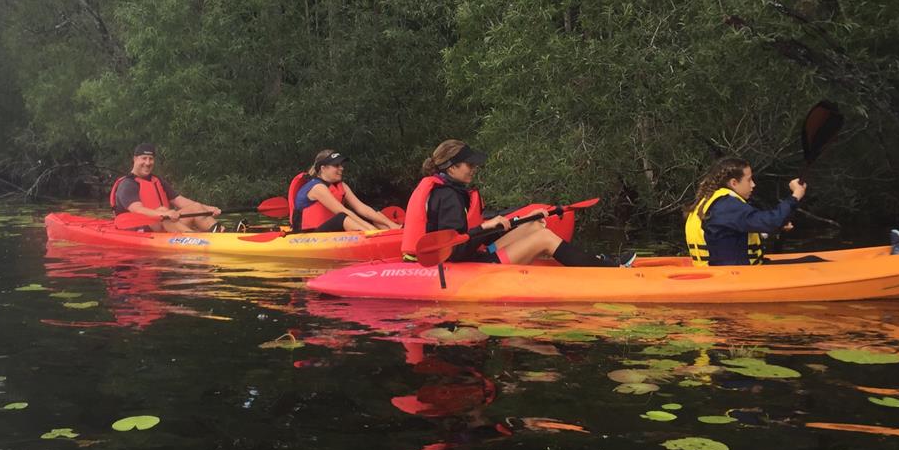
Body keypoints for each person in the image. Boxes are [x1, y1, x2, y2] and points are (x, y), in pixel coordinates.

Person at [400, 139, 633, 267]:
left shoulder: (452, 189)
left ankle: (590, 260)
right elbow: (456, 251)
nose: (474, 168)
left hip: (473, 254)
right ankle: (608, 269)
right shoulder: (448, 196)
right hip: (467, 264)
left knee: (534, 227)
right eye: (469, 165)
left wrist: (504, 223)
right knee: (544, 238)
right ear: (452, 167)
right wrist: (486, 228)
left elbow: (466, 234)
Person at [685, 157, 805, 266]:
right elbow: (772, 221)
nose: (753, 184)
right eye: (749, 180)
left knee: (809, 260)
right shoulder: (727, 205)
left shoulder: (709, 201)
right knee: (812, 262)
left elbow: (727, 235)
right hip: (735, 278)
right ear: (734, 183)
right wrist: (796, 195)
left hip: (719, 274)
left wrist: (775, 228)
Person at [110, 143, 221, 232]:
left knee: (196, 207)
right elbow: (138, 209)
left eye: (151, 158)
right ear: (135, 159)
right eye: (144, 158)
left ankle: (221, 233)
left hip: (162, 223)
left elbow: (178, 200)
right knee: (163, 212)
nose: (148, 163)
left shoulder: (157, 180)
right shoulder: (127, 184)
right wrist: (164, 213)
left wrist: (207, 208)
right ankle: (197, 240)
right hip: (138, 228)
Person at [287, 150, 401, 233]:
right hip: (308, 235)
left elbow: (361, 208)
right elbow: (341, 211)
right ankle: (375, 237)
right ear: (323, 168)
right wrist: (370, 230)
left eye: (341, 165)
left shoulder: (342, 186)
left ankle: (394, 233)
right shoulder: (317, 188)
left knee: (372, 214)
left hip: (331, 231)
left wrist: (391, 224)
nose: (341, 168)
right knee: (342, 217)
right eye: (336, 165)